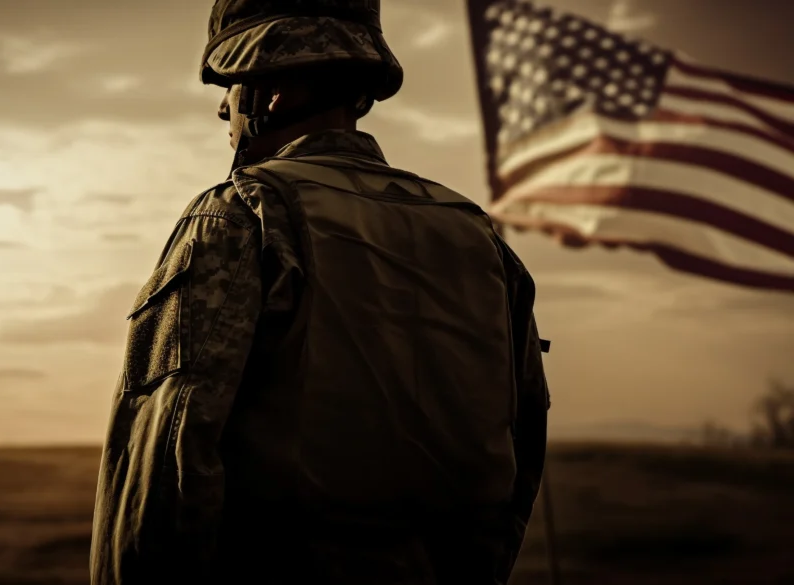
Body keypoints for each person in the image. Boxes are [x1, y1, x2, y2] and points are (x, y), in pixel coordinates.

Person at [89, 1, 551, 584]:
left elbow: (166, 460)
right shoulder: (473, 230)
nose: (221, 109)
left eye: (230, 88)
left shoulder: (243, 215)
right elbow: (522, 440)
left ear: (267, 94)